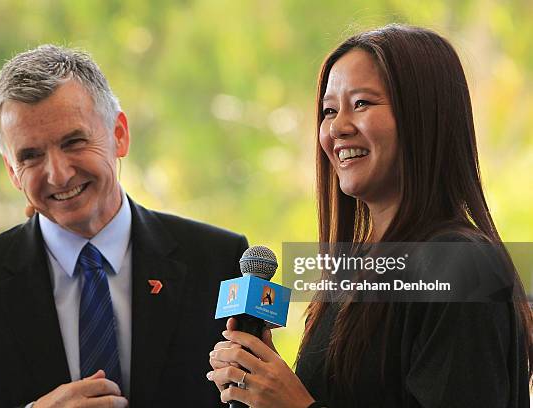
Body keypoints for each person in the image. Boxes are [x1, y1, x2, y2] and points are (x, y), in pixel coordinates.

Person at [207, 24, 533, 407]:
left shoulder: (461, 266)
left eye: (361, 103)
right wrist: (266, 385)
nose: (338, 128)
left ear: (424, 115)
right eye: (329, 111)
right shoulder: (354, 269)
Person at [0, 44, 248, 407]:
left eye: (73, 142)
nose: (58, 174)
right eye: (30, 156)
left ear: (119, 134)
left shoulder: (219, 261)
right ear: (12, 171)